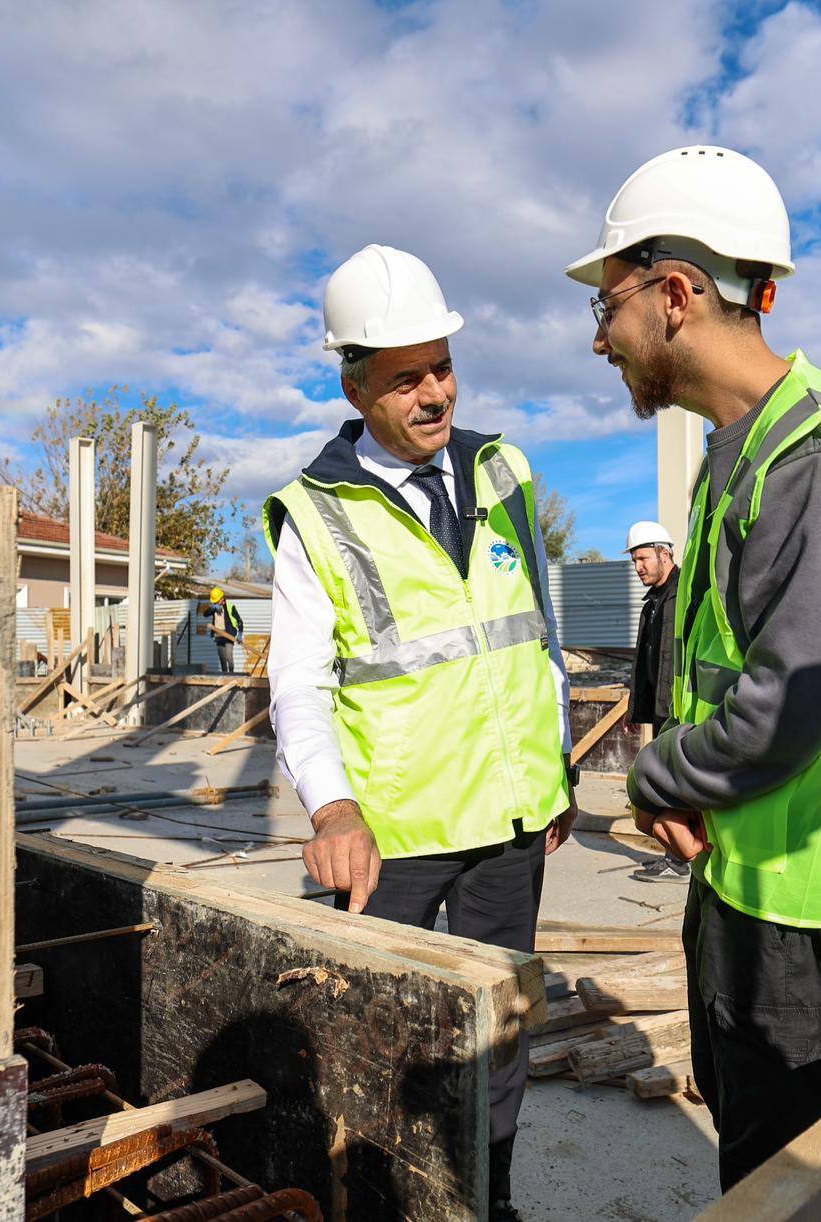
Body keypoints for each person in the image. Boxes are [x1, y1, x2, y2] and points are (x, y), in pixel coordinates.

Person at [566, 146, 821, 1190]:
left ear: (678, 294)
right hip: (749, 884)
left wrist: (656, 778)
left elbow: (785, 703)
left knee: (801, 1196)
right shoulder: (742, 455)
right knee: (756, 1177)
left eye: (607, 308)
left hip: (815, 916)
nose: (600, 339)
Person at [264, 244, 577, 1221]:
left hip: (510, 823)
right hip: (389, 835)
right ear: (354, 384)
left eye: (441, 365)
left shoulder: (503, 469)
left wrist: (554, 765)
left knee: (499, 1037)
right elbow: (296, 682)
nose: (433, 391)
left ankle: (488, 1199)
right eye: (406, 377)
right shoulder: (316, 514)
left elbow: (537, 631)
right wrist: (333, 807)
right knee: (366, 1044)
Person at [623, 521, 686, 882]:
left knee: (675, 785)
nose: (638, 567)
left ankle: (680, 861)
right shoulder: (655, 601)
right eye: (634, 561)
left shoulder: (683, 595)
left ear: (665, 554)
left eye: (644, 558)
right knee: (665, 784)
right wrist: (637, 707)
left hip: (678, 709)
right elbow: (647, 659)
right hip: (661, 709)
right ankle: (674, 856)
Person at [207, 587, 243, 673]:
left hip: (229, 635)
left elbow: (239, 621)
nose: (215, 602)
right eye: (214, 601)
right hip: (218, 635)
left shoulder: (230, 607)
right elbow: (205, 614)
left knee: (228, 656)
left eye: (216, 601)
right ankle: (224, 675)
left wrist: (240, 633)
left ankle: (231, 674)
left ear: (222, 598)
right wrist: (212, 608)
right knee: (222, 659)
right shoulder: (215, 608)